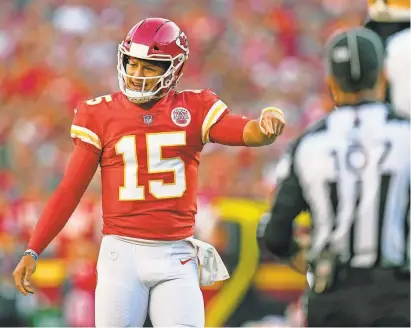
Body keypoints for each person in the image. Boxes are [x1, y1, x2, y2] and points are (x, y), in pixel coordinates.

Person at [12, 18, 286, 327]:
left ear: (175, 69)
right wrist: (34, 249)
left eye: (150, 67)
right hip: (121, 255)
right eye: (133, 64)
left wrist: (267, 124)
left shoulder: (194, 108)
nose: (137, 74)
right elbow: (69, 190)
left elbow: (246, 131)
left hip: (176, 254)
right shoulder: (101, 113)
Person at [263, 27, 409, 327]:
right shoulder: (406, 134)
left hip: (332, 298)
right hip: (396, 296)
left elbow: (274, 235)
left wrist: (301, 254)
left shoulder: (308, 144)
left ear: (331, 83)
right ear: (383, 76)